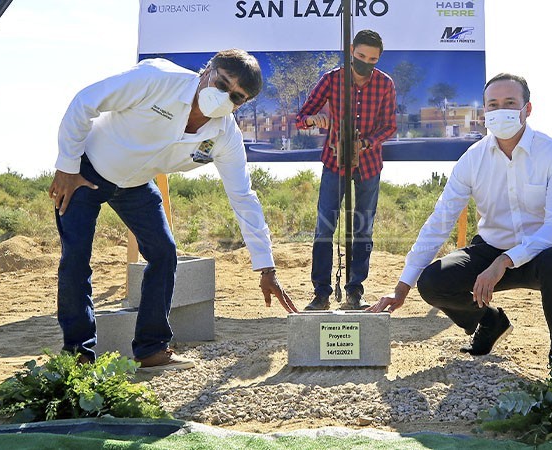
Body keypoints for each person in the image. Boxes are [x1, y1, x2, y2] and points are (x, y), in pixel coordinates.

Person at [49, 49, 298, 372]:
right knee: (76, 259)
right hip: (86, 171)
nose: (224, 97)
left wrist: (267, 268)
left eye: (236, 97)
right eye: (222, 84)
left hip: (136, 184)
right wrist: (66, 166)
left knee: (164, 254)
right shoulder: (157, 79)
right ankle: (78, 355)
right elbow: (85, 102)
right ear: (207, 70)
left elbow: (243, 197)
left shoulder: (225, 136)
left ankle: (152, 349)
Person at [368, 73, 552, 364]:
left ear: (526, 109)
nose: (500, 110)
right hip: (489, 249)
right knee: (431, 281)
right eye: (493, 104)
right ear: (484, 112)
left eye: (509, 102)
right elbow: (441, 219)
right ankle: (490, 321)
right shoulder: (472, 159)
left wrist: (505, 261)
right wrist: (402, 287)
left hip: (542, 251)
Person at [295, 29, 397, 311]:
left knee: (363, 228)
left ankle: (355, 291)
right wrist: (315, 120)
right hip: (333, 162)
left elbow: (389, 126)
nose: (366, 63)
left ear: (378, 59)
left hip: (368, 165)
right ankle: (321, 293)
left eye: (372, 59)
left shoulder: (385, 84)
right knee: (324, 227)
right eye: (361, 56)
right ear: (351, 50)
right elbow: (300, 118)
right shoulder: (331, 79)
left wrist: (365, 143)